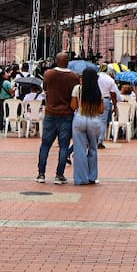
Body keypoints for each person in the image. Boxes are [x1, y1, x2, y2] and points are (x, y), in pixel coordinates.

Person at [37, 52, 78, 184]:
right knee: (64, 146)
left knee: (45, 145)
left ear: (56, 60)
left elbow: (45, 88)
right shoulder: (74, 76)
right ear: (68, 62)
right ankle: (59, 175)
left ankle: (41, 174)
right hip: (66, 114)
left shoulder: (48, 74)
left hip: (50, 113)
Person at [71, 67, 106, 185]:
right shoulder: (98, 90)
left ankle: (81, 178)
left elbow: (73, 106)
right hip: (94, 119)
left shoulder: (77, 89)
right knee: (93, 148)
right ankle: (92, 176)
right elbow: (101, 110)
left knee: (79, 149)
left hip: (80, 118)